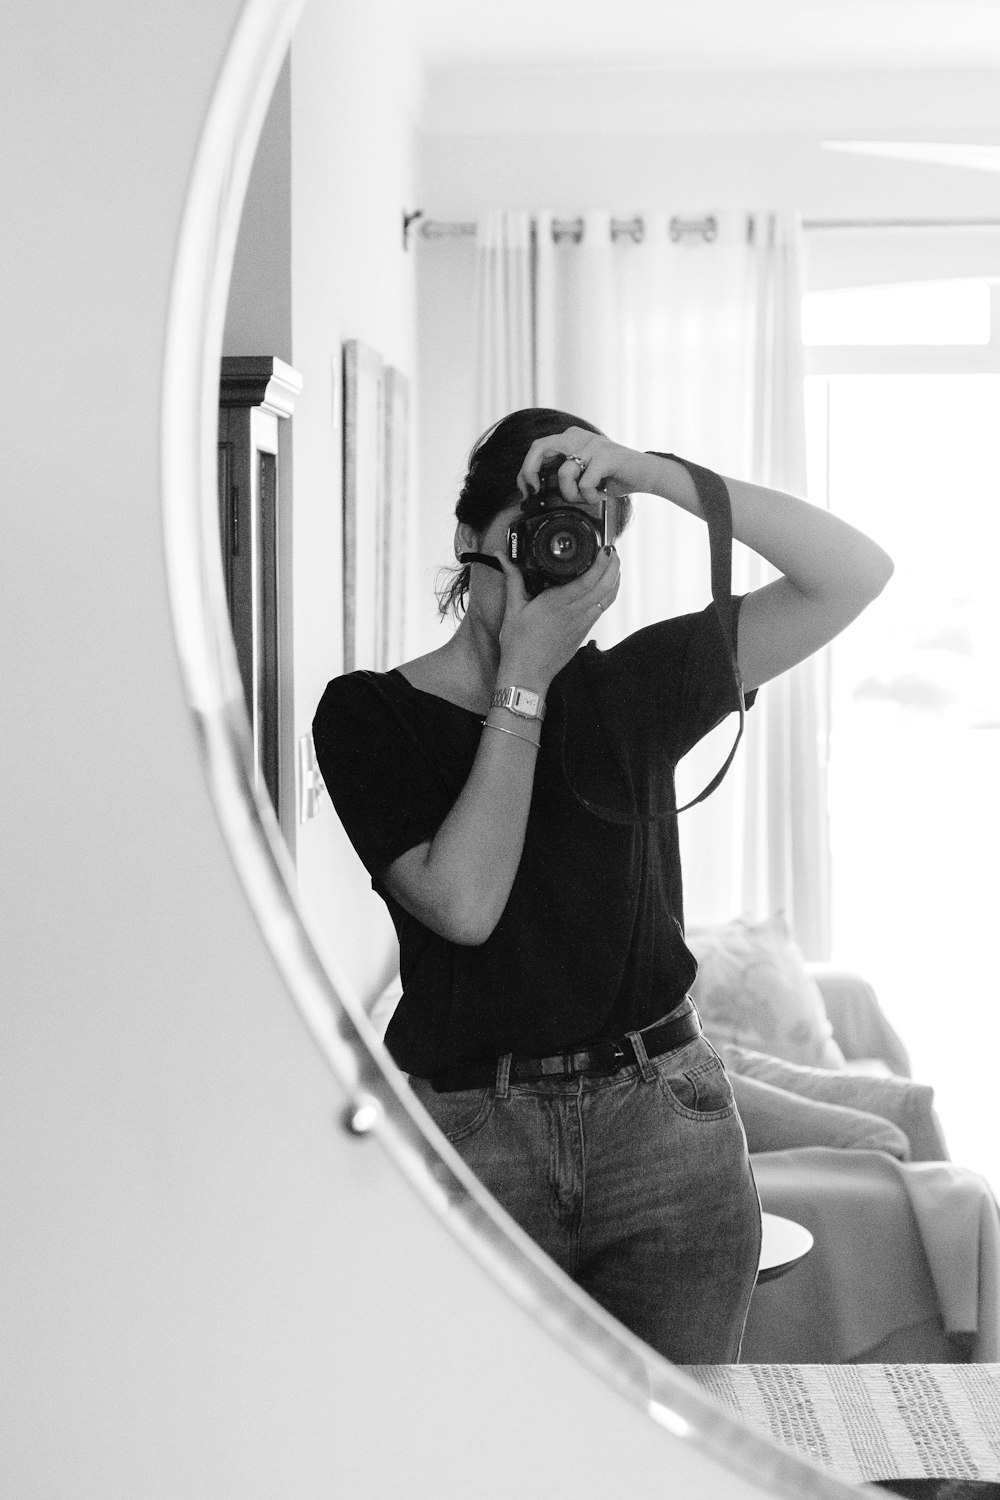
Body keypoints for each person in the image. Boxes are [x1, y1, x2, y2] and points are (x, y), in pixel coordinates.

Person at [312, 406, 893, 1363]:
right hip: (475, 1138)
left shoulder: (631, 688)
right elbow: (465, 903)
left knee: (674, 1460)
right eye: (531, 532)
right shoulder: (368, 714)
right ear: (469, 538)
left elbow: (853, 574)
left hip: (664, 1128)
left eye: (580, 543)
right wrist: (524, 684)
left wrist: (656, 475)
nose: (554, 558)